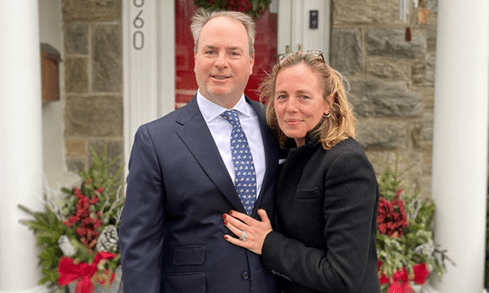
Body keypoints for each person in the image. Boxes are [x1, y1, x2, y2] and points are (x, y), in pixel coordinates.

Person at [119, 8, 280, 293]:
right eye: (210, 51)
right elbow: (140, 243)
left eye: (233, 52)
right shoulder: (155, 140)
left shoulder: (277, 128)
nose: (221, 63)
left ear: (251, 61)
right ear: (195, 58)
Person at [223, 51, 380, 293]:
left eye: (304, 97)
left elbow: (342, 275)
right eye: (282, 96)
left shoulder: (346, 163)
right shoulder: (287, 152)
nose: (290, 107)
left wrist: (268, 243)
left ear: (328, 103)